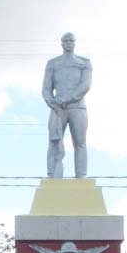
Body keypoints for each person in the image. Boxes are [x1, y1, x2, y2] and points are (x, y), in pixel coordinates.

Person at [42, 32, 92, 179]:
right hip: (58, 108)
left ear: (75, 43)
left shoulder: (85, 62)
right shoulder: (53, 63)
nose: (68, 43)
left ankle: (81, 175)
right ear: (61, 43)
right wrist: (51, 101)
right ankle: (52, 175)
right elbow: (46, 88)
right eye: (66, 40)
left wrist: (69, 98)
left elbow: (85, 85)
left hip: (77, 107)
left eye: (71, 40)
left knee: (80, 142)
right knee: (54, 142)